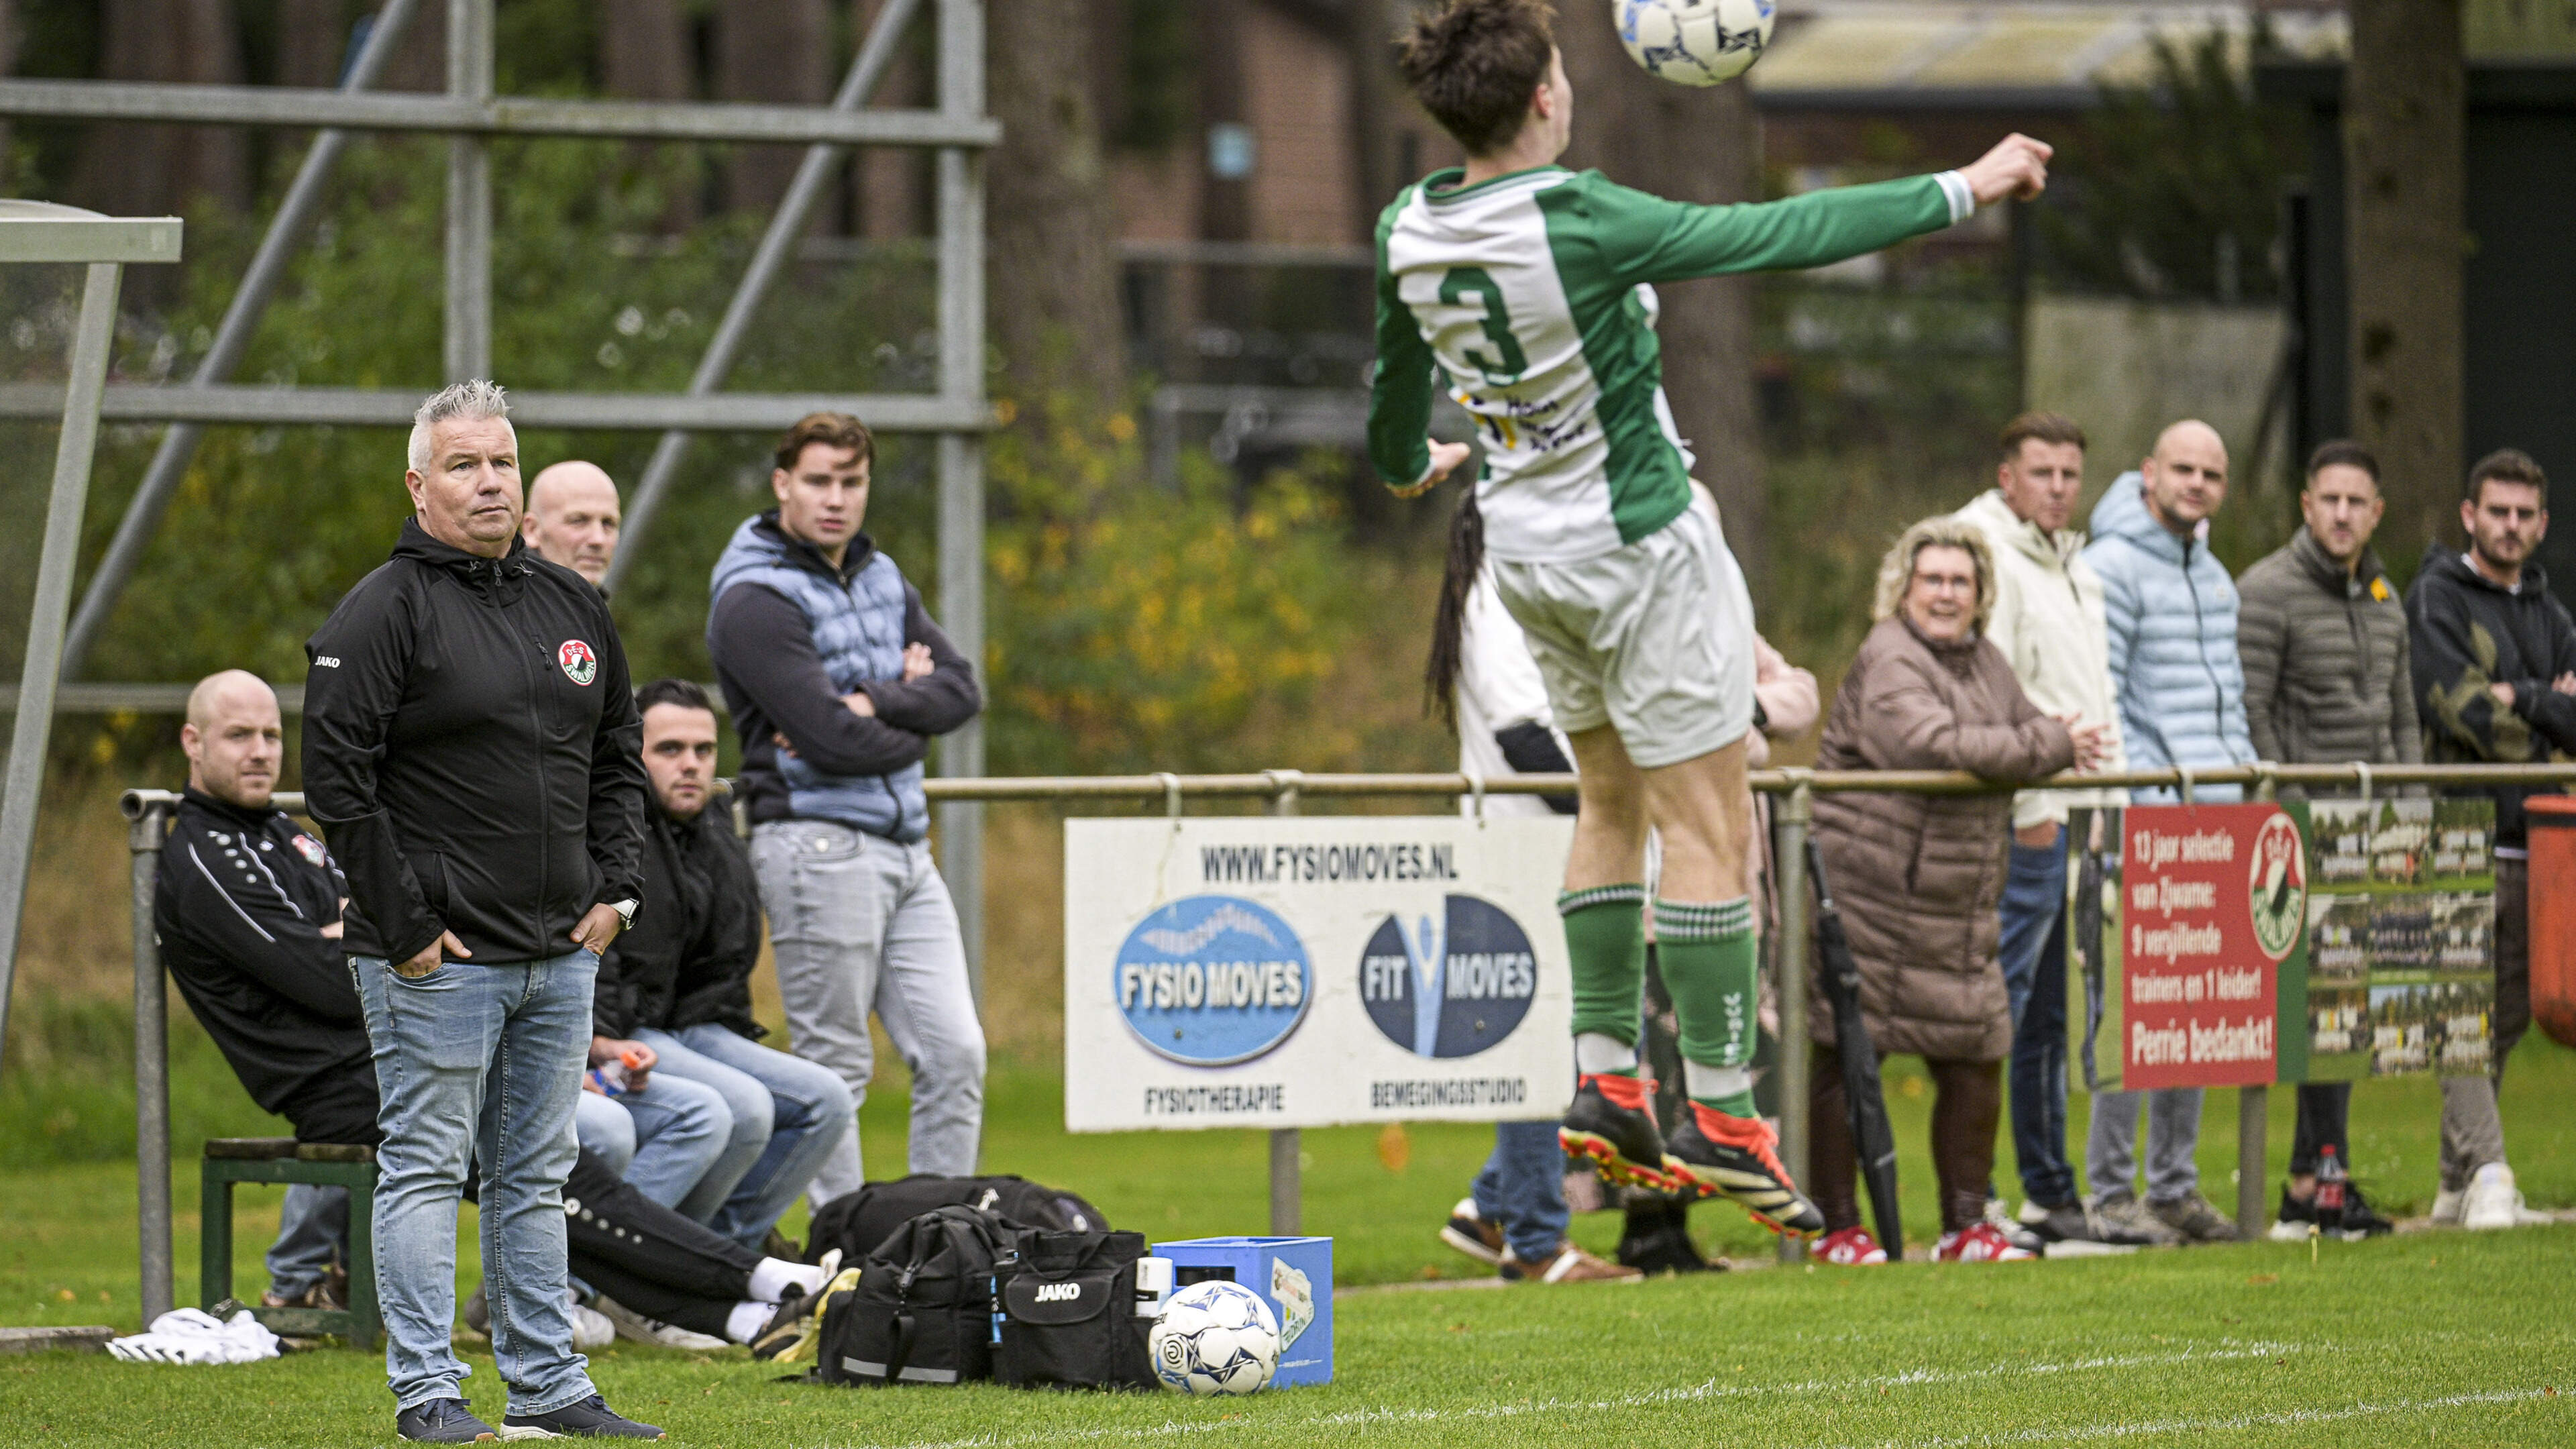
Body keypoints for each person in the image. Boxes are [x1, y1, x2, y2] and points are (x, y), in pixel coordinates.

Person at [1371, 0, 2051, 1234]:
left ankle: (1608, 1078)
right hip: (1639, 547)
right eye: (1564, 71)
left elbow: (1391, 400)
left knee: (1609, 806)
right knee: (1713, 823)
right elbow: (1777, 231)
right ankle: (1727, 1114)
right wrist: (1966, 185)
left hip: (1525, 559)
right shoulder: (1577, 215)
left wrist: (1415, 459)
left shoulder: (1408, 224)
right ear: (1543, 101)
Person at [158, 672, 834, 1374]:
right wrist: (366, 933)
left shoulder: (280, 834)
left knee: (564, 1174)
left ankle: (749, 1307)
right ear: (193, 741)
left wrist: (361, 930)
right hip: (342, 1079)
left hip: (415, 1036)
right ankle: (768, 1284)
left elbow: (378, 923)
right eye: (240, 735)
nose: (262, 751)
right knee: (555, 1174)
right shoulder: (206, 855)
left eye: (271, 734)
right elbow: (333, 979)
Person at [303, 380, 659, 1442]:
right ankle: (428, 1395)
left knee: (535, 1176)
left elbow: (618, 756)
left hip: (563, 952)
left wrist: (619, 890)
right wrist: (408, 930)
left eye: (502, 461)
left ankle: (549, 1390)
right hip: (438, 962)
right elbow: (336, 784)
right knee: (419, 1167)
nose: (490, 480)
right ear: (419, 484)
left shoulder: (572, 604)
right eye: (464, 464)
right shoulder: (380, 611)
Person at [706, 412, 986, 1201]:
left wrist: (875, 702)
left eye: (852, 482)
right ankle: (847, 1266)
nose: (837, 499)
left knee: (957, 1053)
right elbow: (829, 742)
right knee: (838, 1070)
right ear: (783, 484)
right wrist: (902, 717)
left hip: (905, 847)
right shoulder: (753, 595)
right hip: (817, 845)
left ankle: (940, 1248)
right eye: (820, 481)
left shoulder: (882, 575)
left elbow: (963, 690)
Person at [1807, 519, 2102, 1264]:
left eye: (1960, 582)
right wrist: (2050, 751)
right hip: (1873, 900)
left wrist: (2038, 745)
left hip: (1958, 908)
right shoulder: (1889, 659)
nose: (1946, 594)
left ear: (1980, 595)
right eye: (1932, 579)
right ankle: (1838, 1229)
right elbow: (1934, 747)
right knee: (1847, 1056)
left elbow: (2024, 729)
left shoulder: (1987, 662)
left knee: (1978, 1052)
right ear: (1903, 588)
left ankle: (1965, 1226)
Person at [1424, 491, 1638, 1284]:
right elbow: (1523, 735)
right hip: (1526, 854)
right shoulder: (1499, 598)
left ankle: (1490, 1206)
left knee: (1563, 1046)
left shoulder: (1519, 597)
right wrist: (1611, 810)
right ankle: (1538, 1240)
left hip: (1540, 850)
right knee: (1540, 1045)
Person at [1951, 412, 2138, 1249]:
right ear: (2007, 476)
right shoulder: (1985, 550)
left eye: (2071, 473)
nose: (2060, 488)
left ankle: (2049, 1194)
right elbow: (1991, 692)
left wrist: (2114, 806)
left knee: (2053, 1018)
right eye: (2044, 473)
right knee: (2004, 1005)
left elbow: (2094, 694)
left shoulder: (2074, 562)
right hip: (2024, 818)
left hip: (2083, 813)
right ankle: (1976, 1197)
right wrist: (2029, 807)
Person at [598, 679, 855, 1246]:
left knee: (826, 1101)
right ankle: (592, 1275)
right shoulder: (606, 828)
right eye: (670, 750)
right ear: (631, 751)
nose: (691, 765)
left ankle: (714, 1262)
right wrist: (599, 1040)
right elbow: (591, 957)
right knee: (743, 1107)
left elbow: (726, 965)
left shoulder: (716, 827)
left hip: (693, 1026)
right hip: (618, 1031)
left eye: (704, 751)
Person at [2235, 439, 2415, 1240]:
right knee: (2311, 1010)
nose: (2343, 514)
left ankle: (2318, 1179)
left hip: (2378, 835)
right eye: (2329, 499)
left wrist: (2414, 808)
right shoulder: (2266, 591)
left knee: (2348, 1010)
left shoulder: (2384, 594)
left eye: (2358, 502)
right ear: (2306, 505)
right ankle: (2312, 1179)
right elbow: (2254, 714)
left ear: (2376, 513)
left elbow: (2401, 714)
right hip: (2300, 839)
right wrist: (2297, 816)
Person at [2078, 419, 2251, 1246]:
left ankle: (2175, 1188)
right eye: (2182, 468)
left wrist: (2245, 789)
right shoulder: (2110, 567)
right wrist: (2145, 806)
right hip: (2152, 824)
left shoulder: (2216, 576)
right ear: (2148, 472)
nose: (2196, 483)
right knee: (2136, 1015)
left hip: (2224, 822)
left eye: (2211, 473)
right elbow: (2103, 698)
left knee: (2205, 1012)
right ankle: (2111, 1195)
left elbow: (2230, 702)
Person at [2406, 447, 2571, 1232]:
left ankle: (2453, 1184)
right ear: (2469, 515)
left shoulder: (2551, 615)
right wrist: (2550, 727)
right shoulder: (2436, 597)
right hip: (2457, 834)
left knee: (2503, 1019)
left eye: (2523, 515)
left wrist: (2527, 695)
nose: (2509, 527)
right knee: (2460, 1016)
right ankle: (2492, 1172)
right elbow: (2462, 712)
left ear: (2541, 524)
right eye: (2495, 512)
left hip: (2534, 848)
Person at [521, 460, 622, 589]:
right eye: (578, 521)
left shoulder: (588, 605)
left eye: (608, 524)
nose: (598, 540)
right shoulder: (503, 603)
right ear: (533, 530)